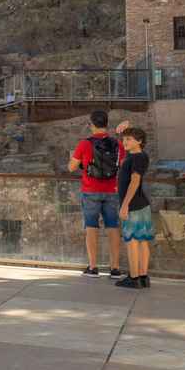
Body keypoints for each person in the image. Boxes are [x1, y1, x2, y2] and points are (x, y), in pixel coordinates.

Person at [68, 109, 125, 277]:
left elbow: (71, 168)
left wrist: (79, 162)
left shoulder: (85, 144)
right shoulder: (118, 144)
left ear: (91, 125)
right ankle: (115, 268)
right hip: (112, 190)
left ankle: (93, 267)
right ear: (106, 124)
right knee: (113, 227)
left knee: (91, 227)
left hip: (90, 190)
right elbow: (122, 166)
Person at [113, 125, 153, 289]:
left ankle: (134, 277)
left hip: (133, 205)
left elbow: (135, 181)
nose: (125, 142)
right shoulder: (138, 155)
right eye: (124, 139)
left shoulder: (136, 157)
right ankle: (143, 277)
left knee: (132, 241)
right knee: (142, 240)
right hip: (141, 204)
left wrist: (125, 205)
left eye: (129, 139)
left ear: (139, 141)